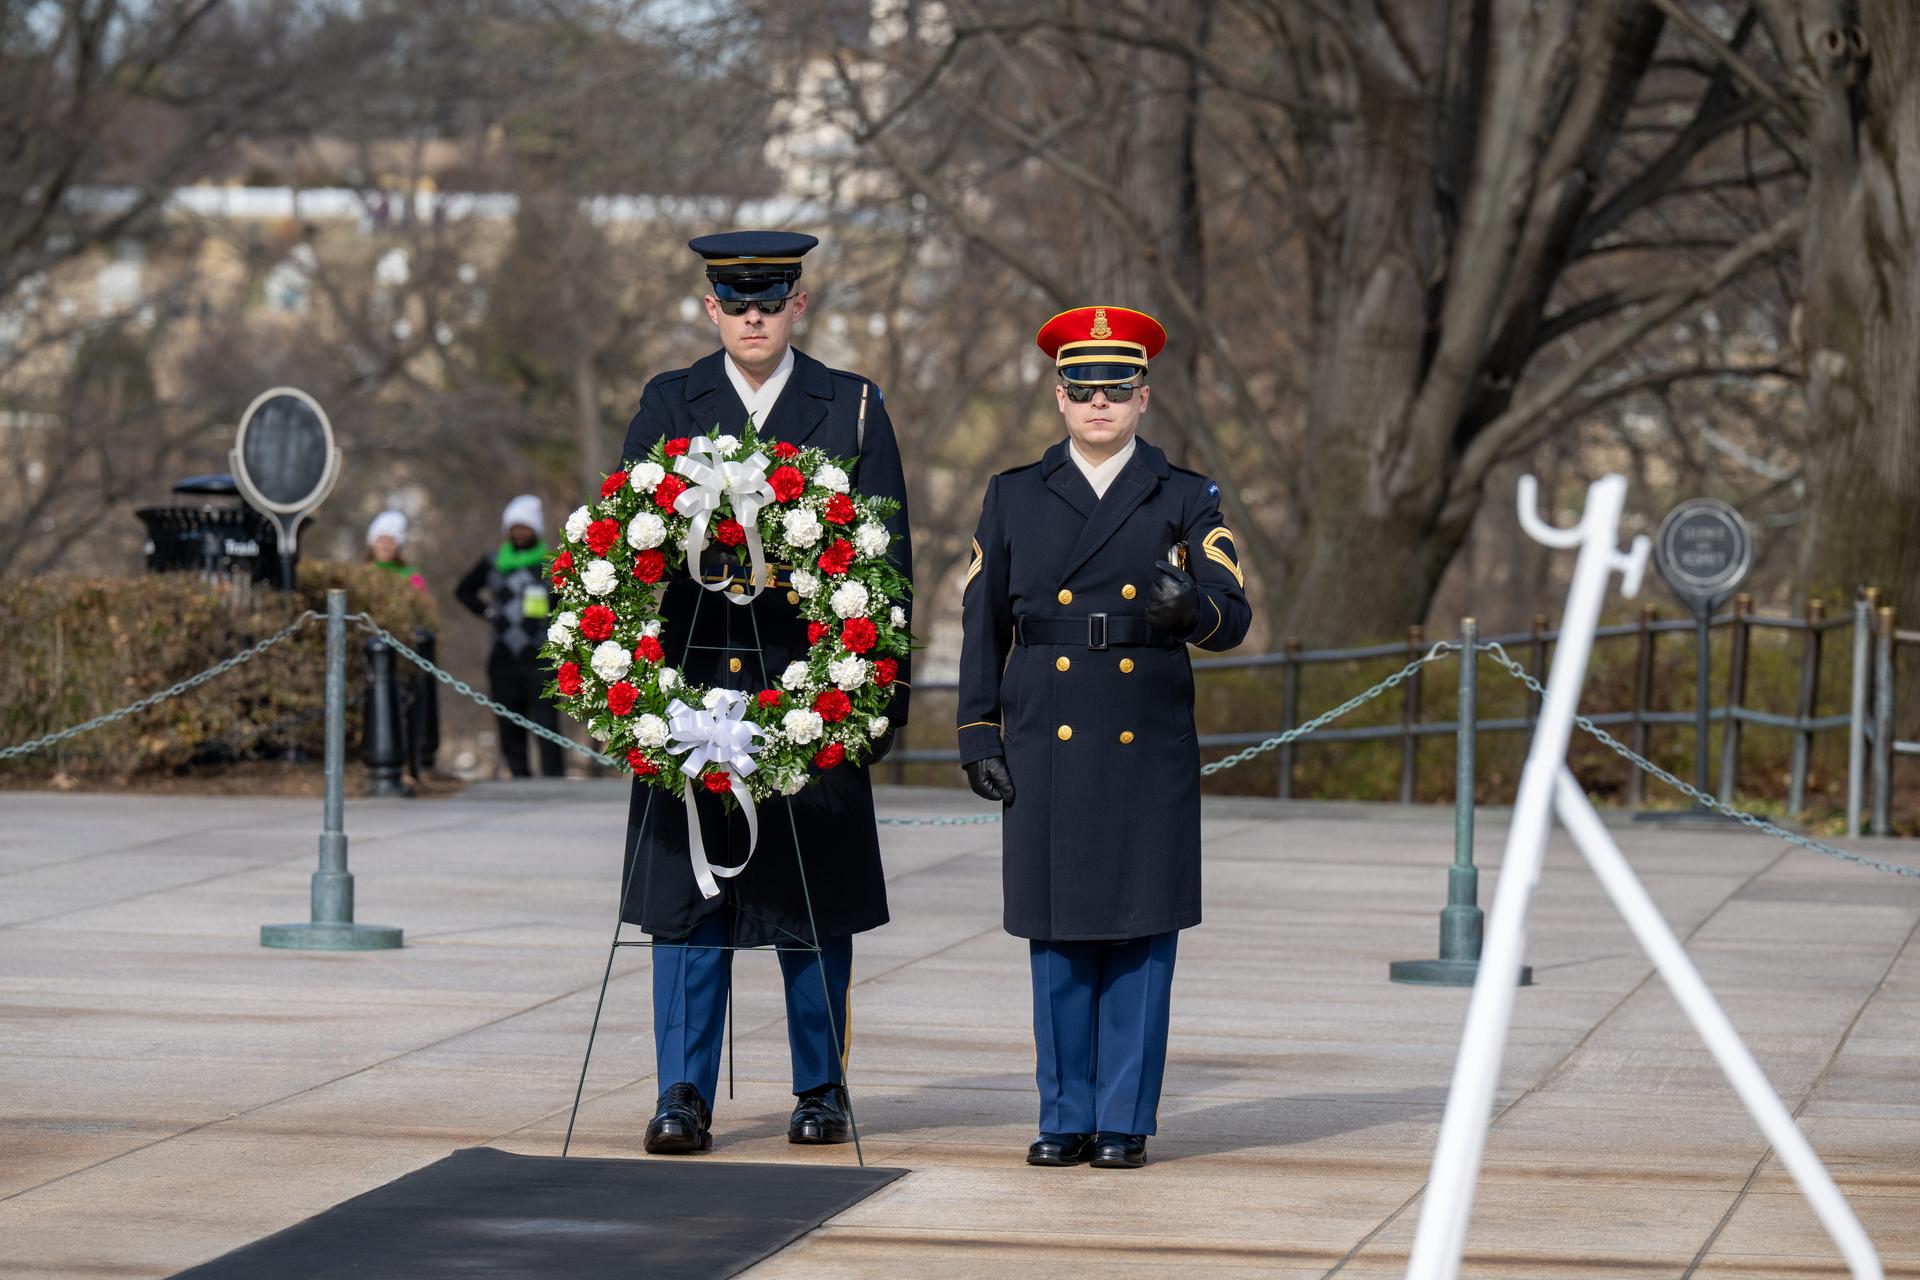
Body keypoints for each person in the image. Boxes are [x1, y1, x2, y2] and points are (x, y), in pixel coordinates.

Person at [614, 230, 912, 1155]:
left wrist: (874, 703)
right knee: (690, 906)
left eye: (770, 301)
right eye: (736, 303)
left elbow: (890, 563)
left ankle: (821, 1088)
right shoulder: (671, 402)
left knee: (812, 908)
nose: (753, 317)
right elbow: (626, 548)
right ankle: (682, 1093)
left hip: (812, 684)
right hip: (694, 685)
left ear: (799, 306)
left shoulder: (852, 407)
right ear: (710, 309)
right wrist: (630, 693)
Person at [956, 305, 1251, 1170]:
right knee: (1059, 932)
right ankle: (1063, 1115)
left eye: (1114, 390)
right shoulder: (1014, 492)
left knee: (1137, 932)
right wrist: (979, 732)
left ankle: (1123, 1120)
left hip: (1145, 733)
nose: (1098, 404)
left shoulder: (1186, 494)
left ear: (1143, 397)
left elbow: (1233, 618)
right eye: (1081, 389)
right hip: (1046, 729)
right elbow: (983, 624)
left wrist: (1190, 608)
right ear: (1058, 396)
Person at [455, 495, 565, 778]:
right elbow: (464, 590)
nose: (519, 534)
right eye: (514, 528)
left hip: (540, 654)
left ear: (535, 530)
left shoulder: (551, 564)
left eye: (524, 528)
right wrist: (488, 612)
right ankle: (519, 776)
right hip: (503, 653)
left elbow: (567, 600)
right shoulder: (493, 562)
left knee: (545, 719)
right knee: (508, 719)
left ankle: (554, 779)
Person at [366, 509, 427, 593]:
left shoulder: (411, 577)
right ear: (373, 544)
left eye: (390, 541)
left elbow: (423, 602)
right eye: (381, 540)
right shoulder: (362, 574)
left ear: (397, 546)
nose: (385, 546)